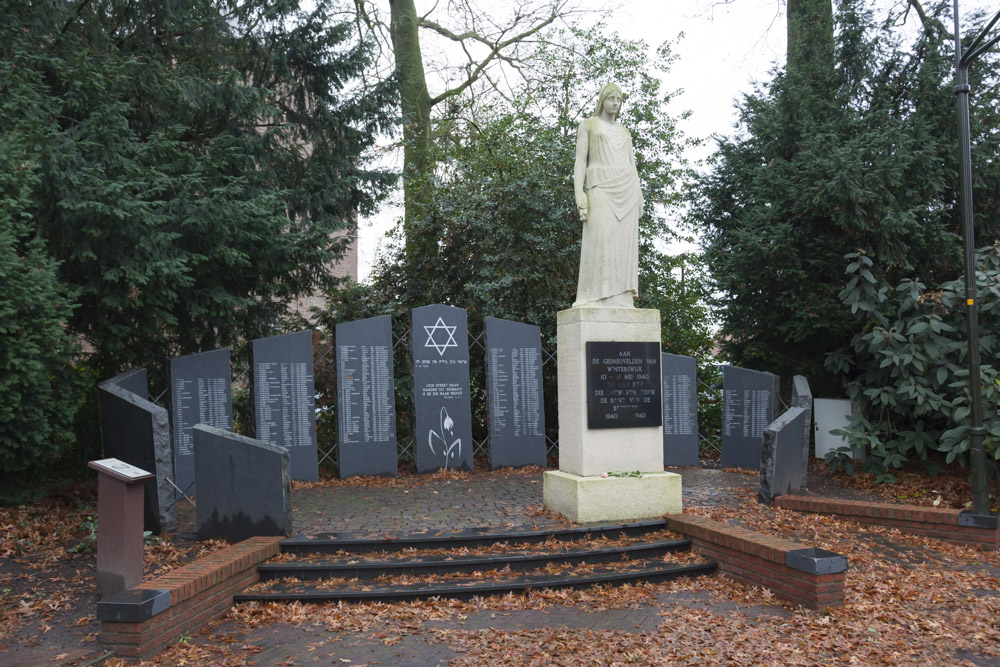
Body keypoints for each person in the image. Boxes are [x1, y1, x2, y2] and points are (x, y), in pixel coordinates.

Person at [572, 83, 643, 309]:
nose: (614, 102)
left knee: (623, 247)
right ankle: (593, 296)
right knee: (601, 240)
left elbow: (632, 165)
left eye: (619, 99)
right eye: (610, 98)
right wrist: (578, 192)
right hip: (600, 187)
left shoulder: (625, 132)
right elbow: (581, 160)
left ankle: (622, 298)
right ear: (602, 100)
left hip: (627, 189)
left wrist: (639, 194)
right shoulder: (589, 125)